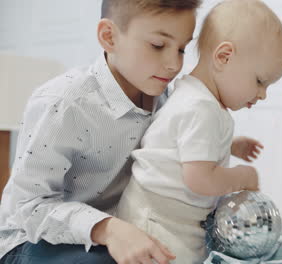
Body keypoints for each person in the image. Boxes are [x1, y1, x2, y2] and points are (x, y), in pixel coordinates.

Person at [0, 0, 201, 263]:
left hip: (117, 234)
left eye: (182, 49)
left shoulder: (165, 100)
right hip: (32, 239)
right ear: (109, 37)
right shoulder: (64, 103)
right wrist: (108, 228)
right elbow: (28, 208)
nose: (174, 64)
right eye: (158, 45)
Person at [115, 0, 282, 263]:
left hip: (166, 215)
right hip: (156, 220)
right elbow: (199, 179)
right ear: (224, 57)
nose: (263, 94)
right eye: (259, 81)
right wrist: (242, 177)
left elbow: (183, 144)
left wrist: (229, 145)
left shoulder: (194, 98)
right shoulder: (201, 108)